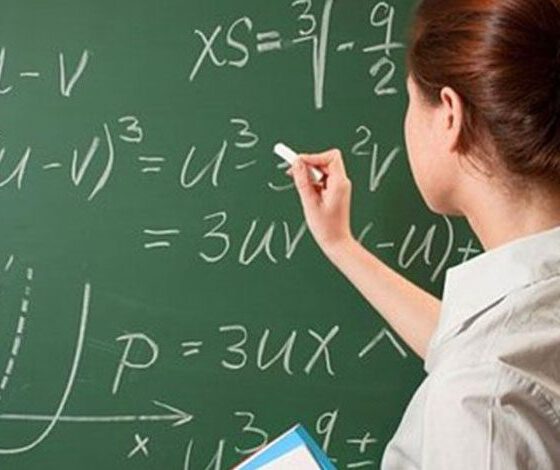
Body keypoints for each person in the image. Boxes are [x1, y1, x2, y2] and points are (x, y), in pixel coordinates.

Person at [285, 0, 560, 468]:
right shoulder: (521, 329)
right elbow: (490, 342)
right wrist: (341, 245)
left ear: (449, 114)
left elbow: (487, 368)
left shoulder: (480, 397)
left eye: (410, 100)